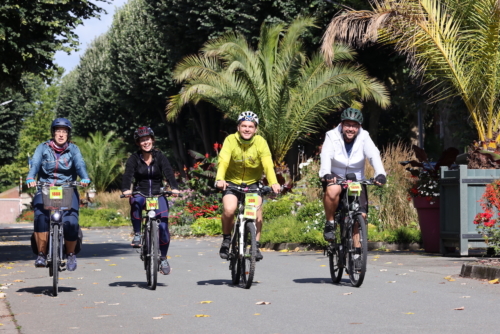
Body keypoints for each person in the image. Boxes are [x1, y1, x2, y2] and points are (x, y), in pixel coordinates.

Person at [26, 118, 90, 271]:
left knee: (71, 222)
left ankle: (70, 254)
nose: (61, 134)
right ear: (53, 132)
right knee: (41, 217)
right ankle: (41, 254)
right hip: (45, 188)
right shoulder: (43, 148)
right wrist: (30, 177)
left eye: (64, 131)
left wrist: (84, 177)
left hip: (68, 188)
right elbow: (35, 163)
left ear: (68, 134)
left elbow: (80, 164)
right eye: (58, 131)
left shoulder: (73, 149)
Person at [215, 111, 281, 261]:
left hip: (252, 184)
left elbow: (267, 164)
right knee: (229, 209)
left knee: (256, 210)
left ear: (255, 129)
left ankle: (255, 245)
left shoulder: (260, 142)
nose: (247, 129)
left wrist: (274, 182)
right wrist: (220, 179)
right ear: (238, 127)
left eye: (250, 126)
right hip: (231, 182)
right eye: (244, 126)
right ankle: (226, 240)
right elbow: (223, 160)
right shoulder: (230, 140)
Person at [319, 107, 387, 242]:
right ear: (342, 124)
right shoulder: (331, 135)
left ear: (359, 127)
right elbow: (326, 154)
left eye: (354, 126)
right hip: (335, 175)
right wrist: (326, 173)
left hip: (356, 178)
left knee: (360, 215)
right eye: (348, 125)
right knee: (333, 189)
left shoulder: (364, 136)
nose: (351, 129)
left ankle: (356, 255)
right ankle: (330, 223)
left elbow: (373, 155)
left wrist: (380, 174)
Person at [121, 126, 179, 275]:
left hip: (158, 194)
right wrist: (126, 189)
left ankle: (163, 258)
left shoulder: (160, 156)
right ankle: (138, 234)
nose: (145, 142)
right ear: (138, 143)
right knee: (136, 201)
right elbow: (128, 175)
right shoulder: (134, 158)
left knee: (164, 228)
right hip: (141, 192)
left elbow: (168, 172)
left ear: (152, 140)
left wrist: (174, 188)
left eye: (147, 139)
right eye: (142, 140)